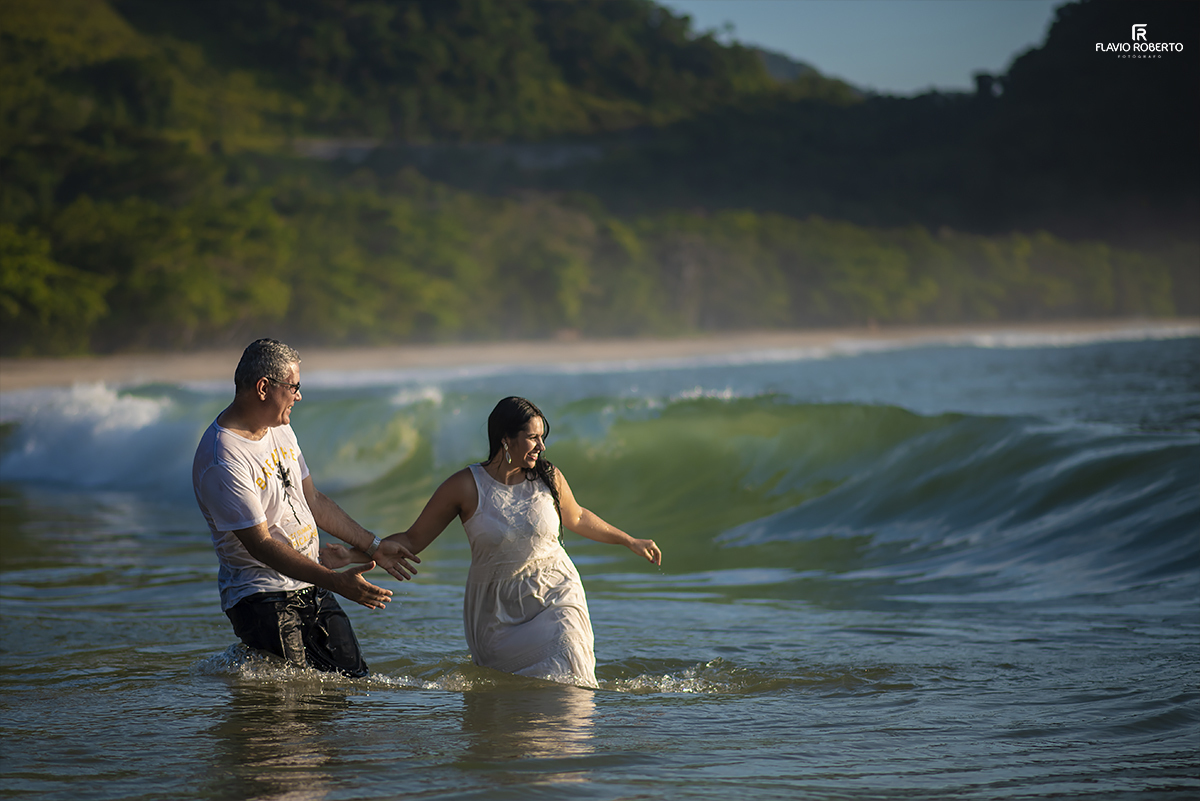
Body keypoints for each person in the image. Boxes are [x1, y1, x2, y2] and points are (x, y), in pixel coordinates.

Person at [325, 396, 662, 687]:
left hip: (556, 591)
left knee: (569, 651)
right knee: (510, 704)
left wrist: (627, 540)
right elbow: (413, 538)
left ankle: (564, 751)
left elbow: (576, 517)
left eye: (542, 437)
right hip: (496, 610)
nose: (541, 446)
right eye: (532, 438)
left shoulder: (548, 477)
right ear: (506, 440)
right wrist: (355, 554)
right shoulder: (466, 486)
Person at [192, 338, 420, 677]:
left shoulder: (280, 429)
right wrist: (337, 582)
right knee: (294, 705)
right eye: (294, 387)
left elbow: (313, 500)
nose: (299, 396)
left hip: (309, 582)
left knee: (353, 682)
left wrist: (371, 545)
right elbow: (262, 545)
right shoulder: (222, 457)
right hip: (261, 597)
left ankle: (245, 667)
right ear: (263, 388)